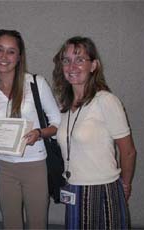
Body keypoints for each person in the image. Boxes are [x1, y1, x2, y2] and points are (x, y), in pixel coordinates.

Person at [52, 36, 136, 229]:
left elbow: (129, 151)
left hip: (102, 190)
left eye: (80, 59)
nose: (72, 66)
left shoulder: (106, 101)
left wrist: (126, 185)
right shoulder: (65, 106)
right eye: (67, 60)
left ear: (93, 65)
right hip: (73, 187)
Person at [0, 29, 61, 229]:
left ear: (19, 57)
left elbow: (58, 123)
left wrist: (39, 133)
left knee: (37, 223)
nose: (4, 57)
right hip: (5, 167)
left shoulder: (35, 83)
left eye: (11, 51)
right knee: (11, 224)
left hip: (35, 165)